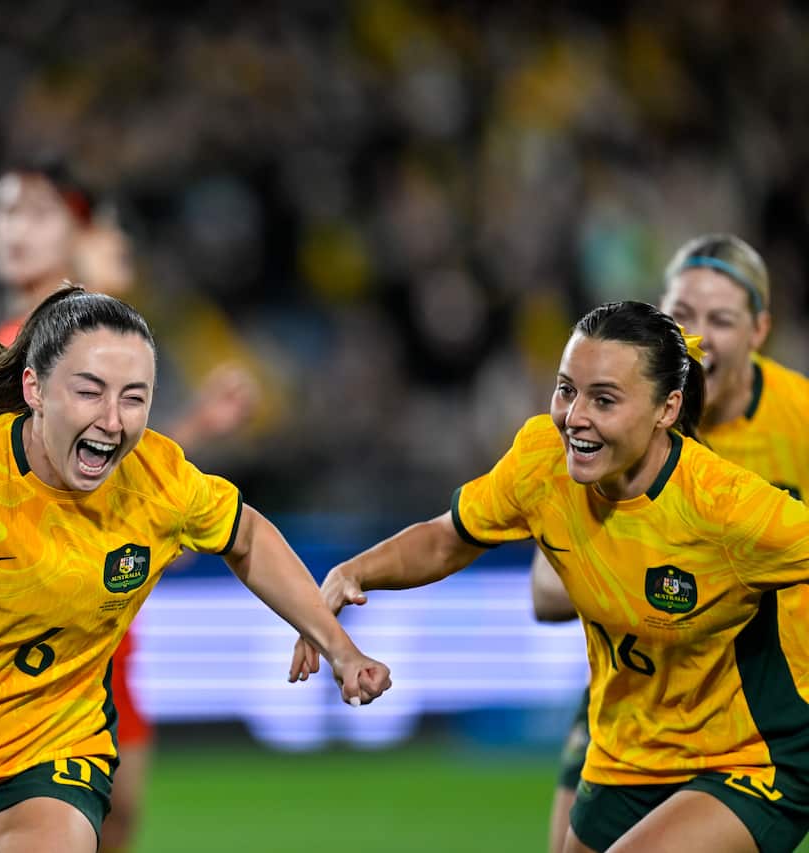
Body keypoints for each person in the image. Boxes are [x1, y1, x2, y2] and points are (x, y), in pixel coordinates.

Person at [0, 279, 388, 853]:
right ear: (34, 389)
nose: (112, 421)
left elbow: (246, 535)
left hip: (53, 751)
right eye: (90, 392)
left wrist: (339, 647)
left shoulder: (158, 479)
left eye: (134, 398)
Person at [293, 300, 809, 852]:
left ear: (667, 409)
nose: (575, 417)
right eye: (566, 390)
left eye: (604, 399)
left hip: (751, 757)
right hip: (629, 750)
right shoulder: (543, 463)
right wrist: (352, 572)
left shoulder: (727, 508)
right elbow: (446, 538)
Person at [0, 158, 260, 851]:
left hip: (99, 617)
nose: (13, 229)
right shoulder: (0, 355)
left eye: (35, 212)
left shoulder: (103, 348)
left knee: (117, 813)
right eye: (5, 211)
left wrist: (193, 434)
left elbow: (109, 472)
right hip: (20, 632)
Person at [532, 235, 809, 853]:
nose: (698, 335)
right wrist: (648, 571)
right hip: (637, 690)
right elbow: (544, 589)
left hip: (754, 706)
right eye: (683, 313)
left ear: (760, 329)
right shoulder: (619, 422)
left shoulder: (799, 420)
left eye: (721, 319)